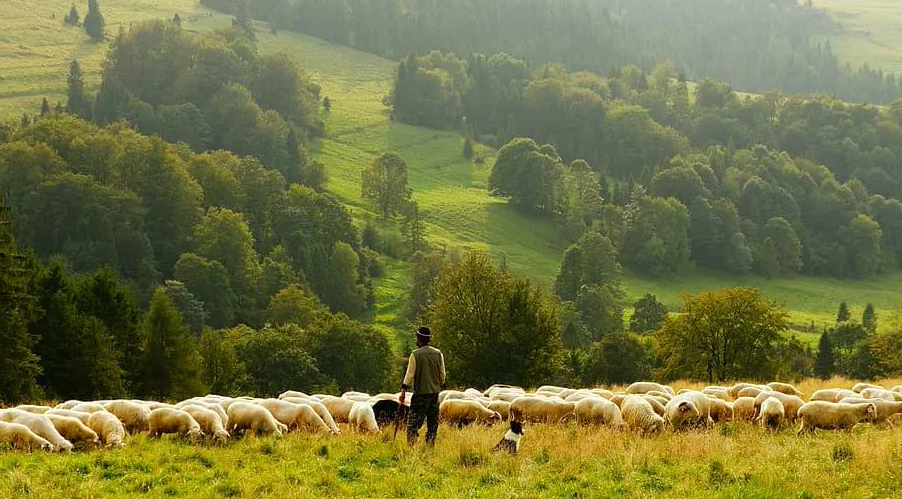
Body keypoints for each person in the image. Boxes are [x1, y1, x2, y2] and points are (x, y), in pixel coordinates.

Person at [400, 326, 446, 446]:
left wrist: (403, 390)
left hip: (420, 395)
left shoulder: (415, 354)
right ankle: (430, 447)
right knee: (432, 424)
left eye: (416, 338)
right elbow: (442, 374)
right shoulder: (438, 353)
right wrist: (440, 384)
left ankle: (411, 447)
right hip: (435, 394)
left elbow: (410, 375)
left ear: (419, 339)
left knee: (413, 424)